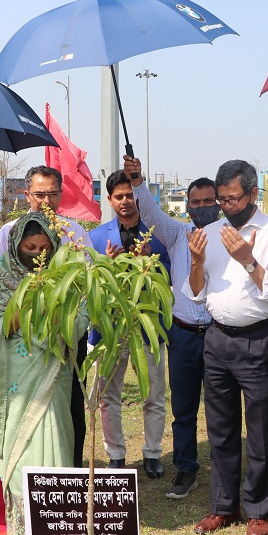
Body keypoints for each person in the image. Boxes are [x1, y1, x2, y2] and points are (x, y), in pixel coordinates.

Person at [183, 160, 268, 535]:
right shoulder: (209, 232)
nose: (228, 205)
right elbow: (196, 291)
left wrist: (248, 260)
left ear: (252, 194)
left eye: (234, 198)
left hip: (257, 338)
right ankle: (223, 506)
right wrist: (197, 262)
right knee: (220, 428)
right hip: (216, 339)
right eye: (222, 199)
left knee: (261, 427)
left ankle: (259, 508)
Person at [0, 212, 84, 535]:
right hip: (16, 386)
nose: (37, 256)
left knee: (55, 443)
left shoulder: (63, 279)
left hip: (51, 381)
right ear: (16, 246)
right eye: (30, 248)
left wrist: (57, 306)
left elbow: (78, 322)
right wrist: (23, 306)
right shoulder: (0, 280)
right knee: (23, 457)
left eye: (44, 249)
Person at [124, 154, 216, 500]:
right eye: (196, 202)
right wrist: (137, 183)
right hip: (182, 334)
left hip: (220, 334)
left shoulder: (228, 236)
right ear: (188, 206)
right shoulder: (177, 233)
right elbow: (149, 213)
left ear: (219, 204)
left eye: (209, 201)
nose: (202, 207)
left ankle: (224, 468)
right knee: (184, 408)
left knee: (222, 408)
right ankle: (186, 470)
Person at [0, 166, 91, 467]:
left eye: (52, 194)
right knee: (22, 409)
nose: (46, 201)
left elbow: (85, 286)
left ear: (61, 194)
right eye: (39, 194)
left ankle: (68, 472)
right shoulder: (9, 233)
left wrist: (67, 320)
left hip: (65, 336)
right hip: (20, 343)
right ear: (26, 195)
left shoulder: (75, 233)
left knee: (71, 406)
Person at [88, 171, 172, 478]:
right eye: (118, 196)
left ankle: (152, 453)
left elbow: (173, 275)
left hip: (148, 327)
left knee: (154, 394)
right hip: (109, 330)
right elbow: (90, 285)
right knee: (108, 395)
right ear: (109, 200)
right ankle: (116, 455)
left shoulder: (158, 233)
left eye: (130, 195)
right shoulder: (96, 238)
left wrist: (153, 263)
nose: (125, 201)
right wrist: (107, 266)